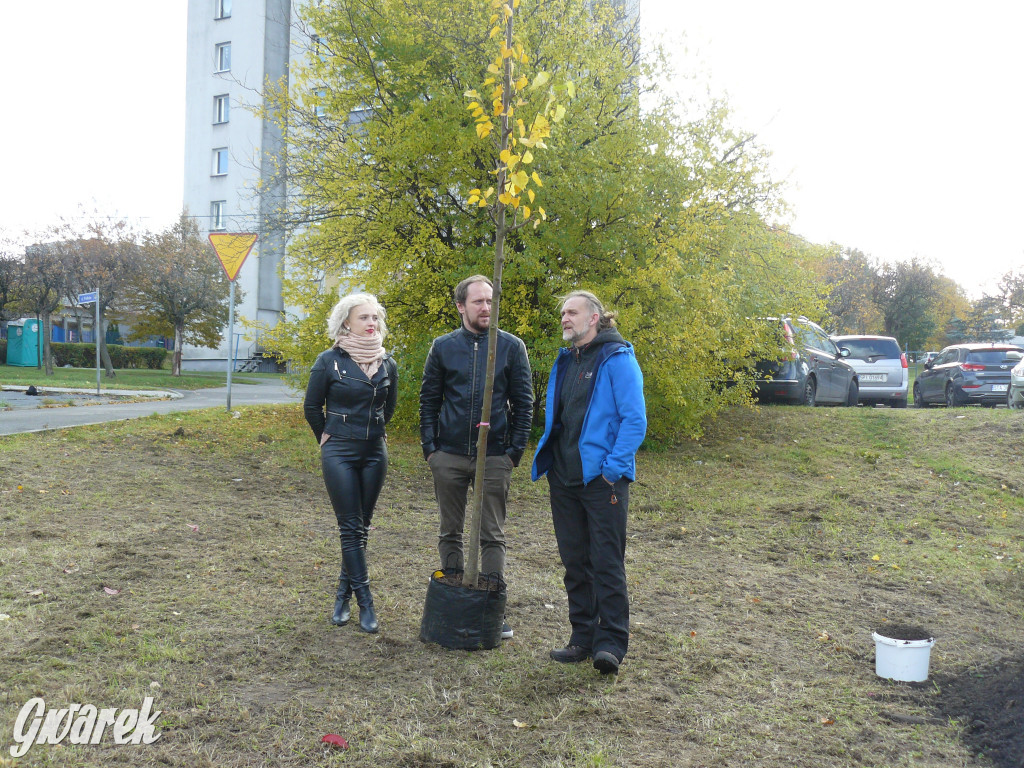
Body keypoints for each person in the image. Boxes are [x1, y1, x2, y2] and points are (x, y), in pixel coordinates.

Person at [531, 290, 646, 674]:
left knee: (606, 562)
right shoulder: (566, 360)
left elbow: (635, 421)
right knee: (574, 562)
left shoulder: (618, 359)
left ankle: (611, 644)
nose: (564, 318)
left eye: (572, 312)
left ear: (594, 318)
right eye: (562, 311)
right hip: (563, 479)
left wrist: (612, 469)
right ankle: (581, 637)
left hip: (603, 481)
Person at [419, 275, 533, 638]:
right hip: (448, 455)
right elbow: (429, 401)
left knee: (492, 534)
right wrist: (431, 449)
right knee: (450, 531)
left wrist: (513, 452)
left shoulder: (512, 347)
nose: (487, 308)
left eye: (491, 301)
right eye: (479, 302)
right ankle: (455, 602)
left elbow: (525, 403)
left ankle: (491, 611)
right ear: (460, 306)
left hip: (496, 456)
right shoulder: (442, 347)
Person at [304, 292, 397, 634]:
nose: (372, 324)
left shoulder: (388, 363)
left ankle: (342, 596)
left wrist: (376, 433)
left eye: (375, 318)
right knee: (350, 527)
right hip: (339, 451)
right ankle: (365, 602)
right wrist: (327, 440)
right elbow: (312, 408)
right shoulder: (328, 360)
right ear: (346, 322)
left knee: (361, 527)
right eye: (364, 318)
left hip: (374, 452)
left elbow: (389, 408)